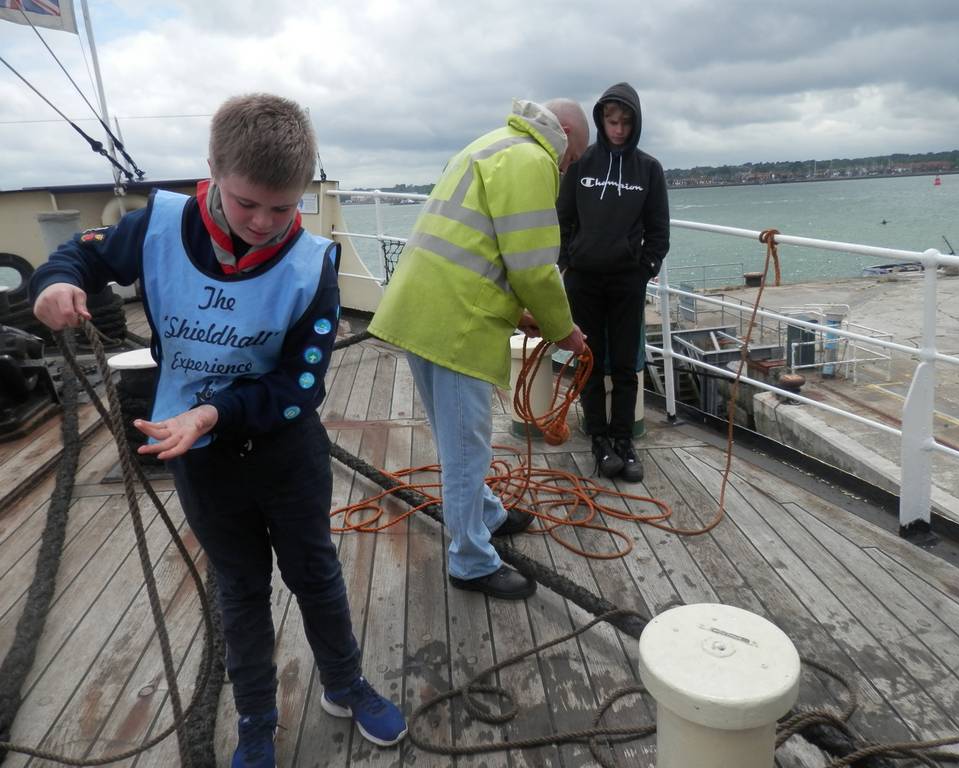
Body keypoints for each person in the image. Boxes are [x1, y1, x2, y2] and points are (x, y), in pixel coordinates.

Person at [30, 93, 407, 768]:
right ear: (212, 173)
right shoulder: (156, 227)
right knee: (239, 589)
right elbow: (80, 255)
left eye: (282, 207)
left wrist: (213, 411)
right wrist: (56, 285)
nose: (264, 222)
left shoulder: (312, 265)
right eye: (246, 203)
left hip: (284, 452)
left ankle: (345, 684)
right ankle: (257, 720)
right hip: (202, 462)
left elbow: (301, 386)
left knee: (315, 573)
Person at [368, 99, 589, 601]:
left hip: (421, 308)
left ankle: (487, 513)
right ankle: (470, 559)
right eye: (571, 158)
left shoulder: (490, 144)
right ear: (566, 132)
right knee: (467, 446)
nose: (566, 166)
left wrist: (520, 312)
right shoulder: (533, 159)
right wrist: (563, 330)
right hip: (456, 324)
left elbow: (484, 247)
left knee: (456, 437)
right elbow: (532, 265)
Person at [556, 82, 670, 483]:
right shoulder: (581, 165)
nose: (618, 130)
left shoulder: (649, 170)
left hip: (627, 282)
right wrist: (568, 264)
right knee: (590, 361)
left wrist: (643, 268)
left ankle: (624, 441)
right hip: (584, 281)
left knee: (624, 364)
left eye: (625, 122)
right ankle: (599, 440)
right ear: (600, 120)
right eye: (611, 121)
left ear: (635, 123)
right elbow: (563, 220)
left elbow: (659, 231)